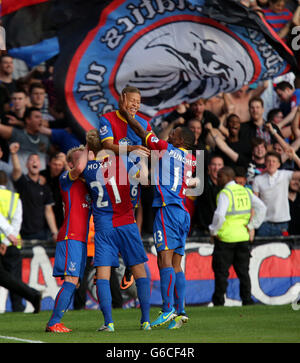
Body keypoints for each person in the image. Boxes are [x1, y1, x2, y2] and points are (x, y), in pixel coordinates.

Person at [119, 92, 198, 329]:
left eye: (174, 133)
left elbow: (145, 133)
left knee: (163, 259)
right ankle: (181, 310)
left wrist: (127, 115)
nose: (170, 134)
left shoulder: (166, 149)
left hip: (167, 210)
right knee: (176, 263)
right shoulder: (192, 158)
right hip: (183, 212)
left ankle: (167, 309)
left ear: (180, 139)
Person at [79, 129, 151, 332]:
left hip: (104, 226)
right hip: (127, 223)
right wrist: (143, 160)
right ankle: (145, 320)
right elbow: (144, 180)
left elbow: (79, 168)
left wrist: (89, 149)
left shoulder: (89, 168)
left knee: (103, 275)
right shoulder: (126, 162)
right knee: (139, 272)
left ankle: (108, 322)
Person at [45, 145, 91, 333]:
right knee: (71, 279)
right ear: (70, 163)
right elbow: (79, 168)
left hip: (81, 240)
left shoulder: (87, 183)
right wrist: (89, 147)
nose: (86, 161)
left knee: (76, 282)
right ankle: (53, 322)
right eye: (81, 158)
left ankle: (56, 321)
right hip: (69, 235)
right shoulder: (67, 179)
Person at [209, 166, 266, 306]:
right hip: (243, 238)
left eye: (220, 176)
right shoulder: (246, 191)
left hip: (225, 239)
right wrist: (252, 225)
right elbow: (262, 208)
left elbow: (220, 215)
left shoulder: (225, 193)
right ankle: (247, 300)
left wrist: (213, 231)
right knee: (243, 272)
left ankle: (219, 301)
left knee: (221, 272)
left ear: (228, 177)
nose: (217, 179)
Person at [0, 170, 42, 313]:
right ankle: (21, 304)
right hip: (12, 241)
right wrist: (8, 240)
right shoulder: (14, 198)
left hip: (6, 240)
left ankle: (32, 295)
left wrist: (5, 239)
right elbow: (18, 222)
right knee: (10, 276)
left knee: (5, 277)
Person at [10, 143, 58, 241]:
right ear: (27, 165)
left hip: (41, 234)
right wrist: (14, 153)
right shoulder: (22, 182)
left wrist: (55, 232)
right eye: (31, 160)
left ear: (40, 166)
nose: (34, 162)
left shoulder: (45, 187)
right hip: (21, 233)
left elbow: (48, 211)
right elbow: (17, 170)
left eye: (37, 160)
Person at [253, 151, 300, 236]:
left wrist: (295, 157)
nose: (271, 164)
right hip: (264, 223)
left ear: (278, 164)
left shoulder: (285, 175)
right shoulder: (258, 179)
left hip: (282, 223)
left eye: (274, 161)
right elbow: (254, 203)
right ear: (265, 163)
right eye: (268, 161)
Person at [0, 106, 51, 172]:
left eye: (41, 117)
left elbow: (56, 154)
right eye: (37, 117)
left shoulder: (45, 138)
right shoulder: (17, 134)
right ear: (28, 120)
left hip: (39, 180)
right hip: (17, 178)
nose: (41, 120)